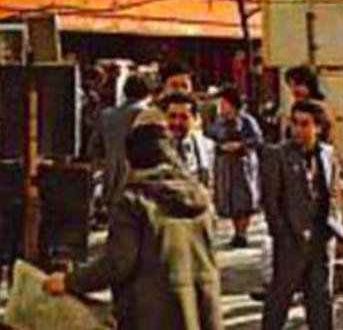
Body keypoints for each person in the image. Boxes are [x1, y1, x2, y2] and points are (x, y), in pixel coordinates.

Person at [43, 114, 223, 330]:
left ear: (132, 159)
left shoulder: (134, 200)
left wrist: (69, 281)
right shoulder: (199, 196)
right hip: (199, 310)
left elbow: (118, 263)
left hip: (152, 315)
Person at [260, 100, 343, 330]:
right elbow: (270, 201)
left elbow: (334, 191)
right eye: (295, 123)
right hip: (291, 238)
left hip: (321, 237)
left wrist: (334, 228)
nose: (298, 129)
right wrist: (281, 234)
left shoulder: (327, 154)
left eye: (304, 124)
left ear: (317, 127)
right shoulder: (277, 155)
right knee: (279, 300)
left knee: (320, 300)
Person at [205, 87, 263, 248]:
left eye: (224, 103)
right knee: (228, 198)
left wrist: (240, 145)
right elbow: (211, 136)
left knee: (243, 198)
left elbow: (257, 140)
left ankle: (242, 233)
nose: (222, 106)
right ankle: (235, 231)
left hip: (242, 164)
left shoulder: (246, 120)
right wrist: (220, 147)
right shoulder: (219, 121)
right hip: (225, 165)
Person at [89, 74, 154, 208]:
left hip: (112, 181)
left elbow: (94, 148)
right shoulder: (150, 116)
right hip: (141, 183)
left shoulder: (106, 115)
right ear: (148, 93)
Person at [160, 91, 213, 188]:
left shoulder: (207, 148)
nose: (177, 123)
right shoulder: (154, 149)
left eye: (184, 117)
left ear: (194, 118)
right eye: (172, 116)